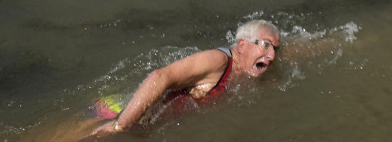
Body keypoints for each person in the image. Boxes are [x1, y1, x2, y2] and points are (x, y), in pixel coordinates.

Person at [85, 19, 281, 138]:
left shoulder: (243, 70)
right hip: (116, 112)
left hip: (143, 122)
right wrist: (120, 125)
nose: (272, 56)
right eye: (265, 45)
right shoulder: (218, 61)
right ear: (242, 46)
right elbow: (160, 76)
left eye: (275, 49)